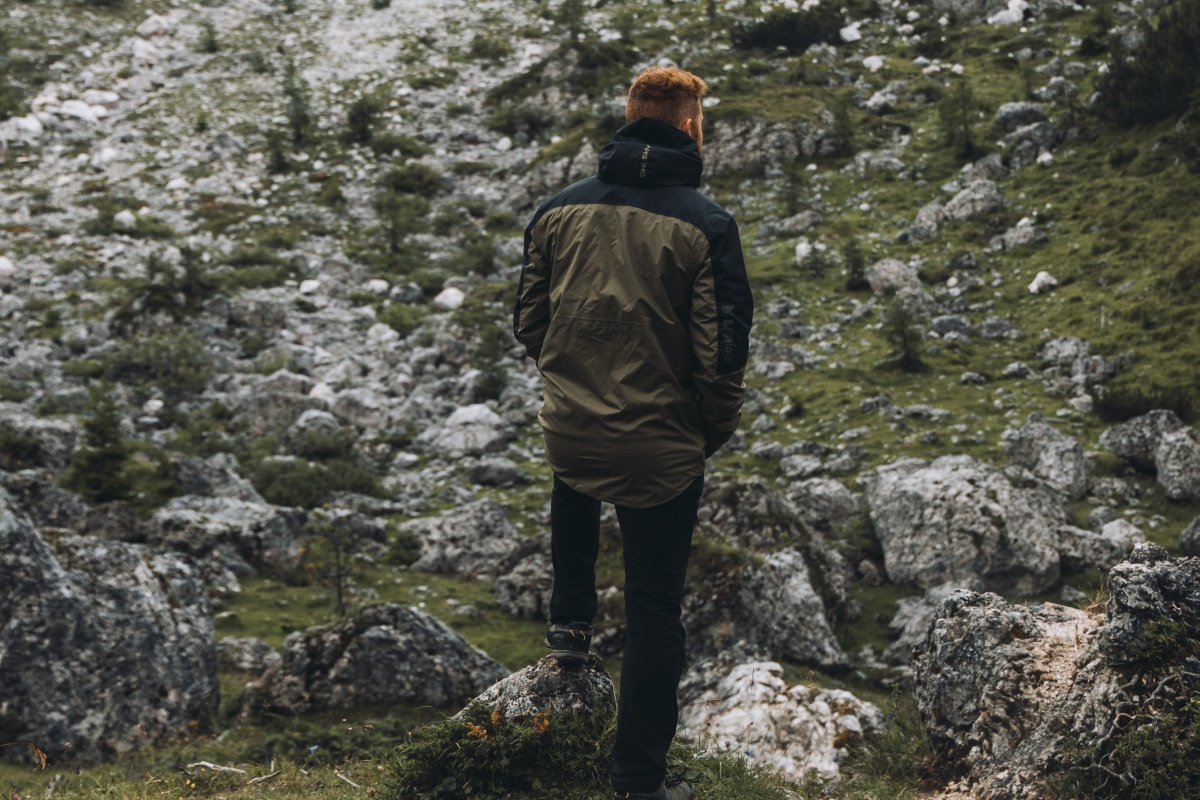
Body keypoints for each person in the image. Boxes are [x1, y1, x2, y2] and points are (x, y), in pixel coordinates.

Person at [513, 66, 753, 800]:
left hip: (571, 431)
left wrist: (574, 383)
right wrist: (706, 433)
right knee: (654, 609)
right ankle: (638, 781)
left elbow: (528, 323)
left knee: (577, 472)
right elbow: (722, 356)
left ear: (629, 117)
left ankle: (569, 628)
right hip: (661, 445)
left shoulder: (556, 211)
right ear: (691, 127)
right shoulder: (707, 224)